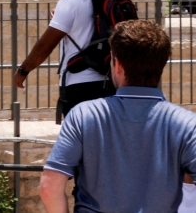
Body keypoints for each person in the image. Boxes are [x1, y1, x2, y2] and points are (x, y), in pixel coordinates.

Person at [39, 20, 196, 212]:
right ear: (161, 65)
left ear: (118, 64)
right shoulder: (187, 124)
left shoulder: (84, 115)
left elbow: (49, 186)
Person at [14, 0, 116, 120]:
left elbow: (46, 45)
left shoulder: (71, 0)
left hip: (80, 88)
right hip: (111, 83)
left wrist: (23, 70)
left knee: (81, 144)